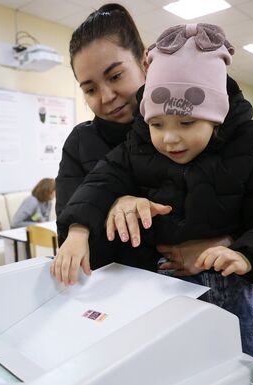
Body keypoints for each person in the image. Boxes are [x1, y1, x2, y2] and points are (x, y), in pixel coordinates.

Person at [53, 23, 253, 383]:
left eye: (187, 122)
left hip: (233, 289)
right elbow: (99, 182)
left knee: (239, 368)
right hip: (158, 291)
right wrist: (80, 228)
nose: (170, 138)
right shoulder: (136, 143)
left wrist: (243, 250)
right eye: (157, 124)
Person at [55, 3, 168, 272]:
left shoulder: (183, 129)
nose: (106, 97)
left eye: (115, 76)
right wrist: (114, 205)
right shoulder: (80, 144)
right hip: (114, 297)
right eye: (91, 89)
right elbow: (71, 240)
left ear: (144, 62)